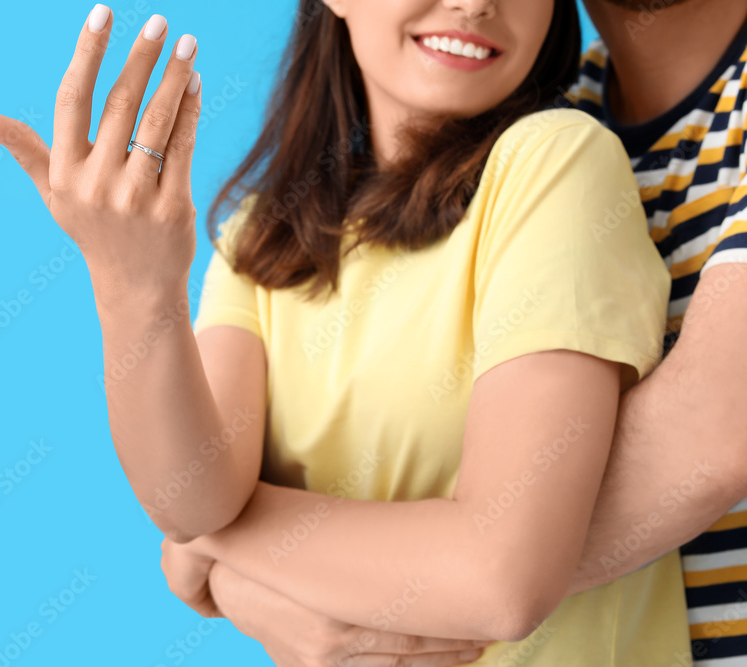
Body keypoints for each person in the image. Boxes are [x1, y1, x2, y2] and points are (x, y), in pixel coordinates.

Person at [0, 0, 694, 665]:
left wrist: (215, 552)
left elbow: (500, 577)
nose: (476, 3)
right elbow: (191, 495)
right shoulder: (263, 233)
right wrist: (133, 284)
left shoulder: (555, 162)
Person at [163, 0, 747, 665]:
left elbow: (710, 433)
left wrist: (234, 544)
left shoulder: (554, 152)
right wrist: (243, 561)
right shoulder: (528, 126)